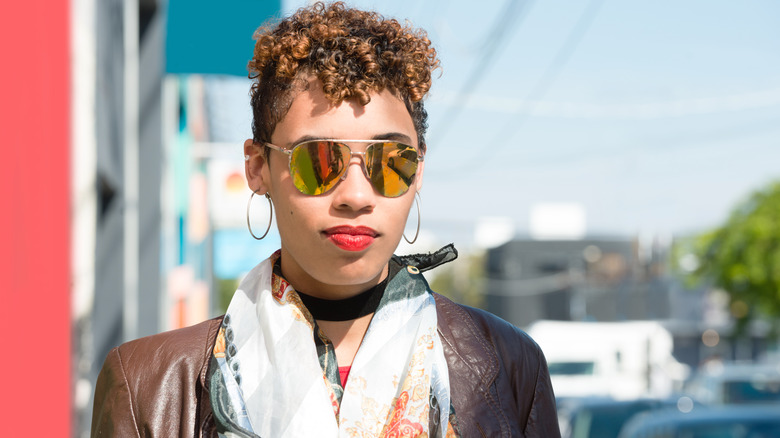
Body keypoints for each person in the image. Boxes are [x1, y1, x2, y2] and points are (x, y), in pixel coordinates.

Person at [91, 2, 560, 437]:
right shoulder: (146, 385)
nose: (355, 195)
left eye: (389, 162)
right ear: (257, 167)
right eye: (317, 161)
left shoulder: (509, 366)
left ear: (418, 172)